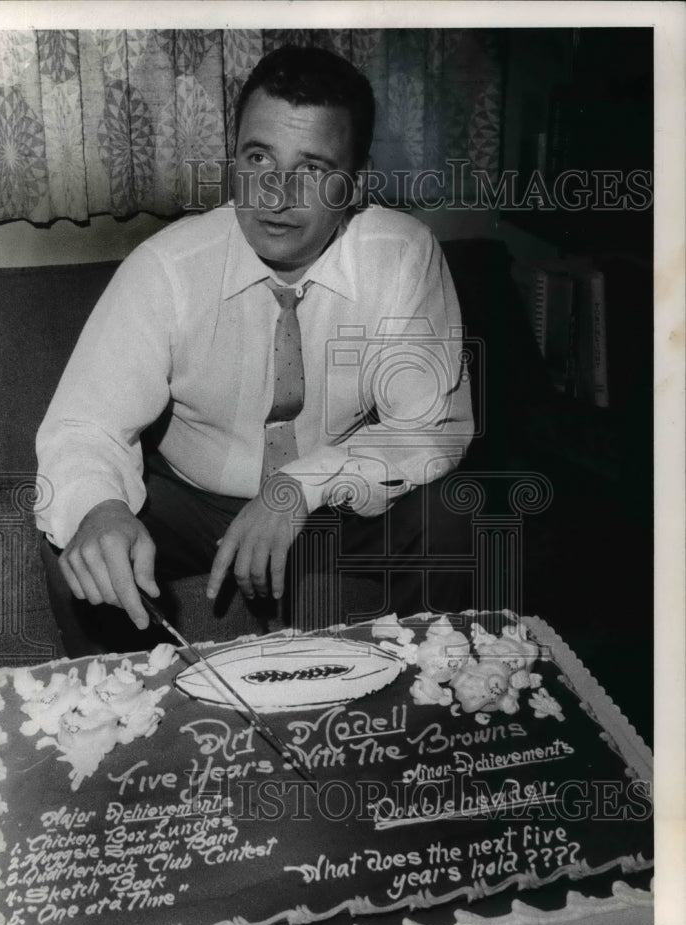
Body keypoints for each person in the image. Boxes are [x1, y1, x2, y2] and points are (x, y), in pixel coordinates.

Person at [36, 45, 474, 655]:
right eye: (259, 157)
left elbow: (433, 428)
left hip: (331, 500)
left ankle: (419, 710)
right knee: (79, 540)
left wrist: (296, 487)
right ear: (233, 159)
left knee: (451, 512)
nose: (276, 194)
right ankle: (128, 728)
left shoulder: (402, 257)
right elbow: (85, 424)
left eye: (314, 168)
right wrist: (101, 508)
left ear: (356, 184)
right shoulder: (167, 267)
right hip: (190, 501)